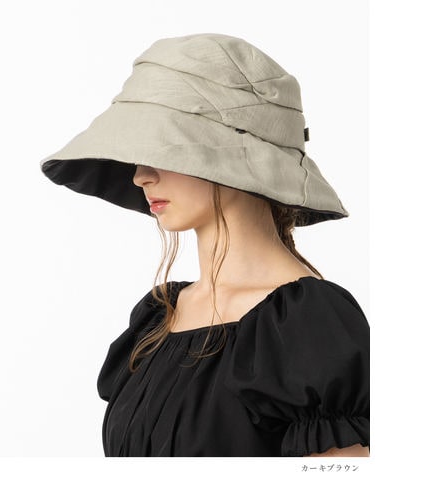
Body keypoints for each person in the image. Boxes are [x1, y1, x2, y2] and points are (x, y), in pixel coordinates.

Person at [40, 33, 370, 457]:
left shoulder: (309, 324)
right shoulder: (158, 316)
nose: (141, 175)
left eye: (163, 149)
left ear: (235, 154)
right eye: (138, 153)